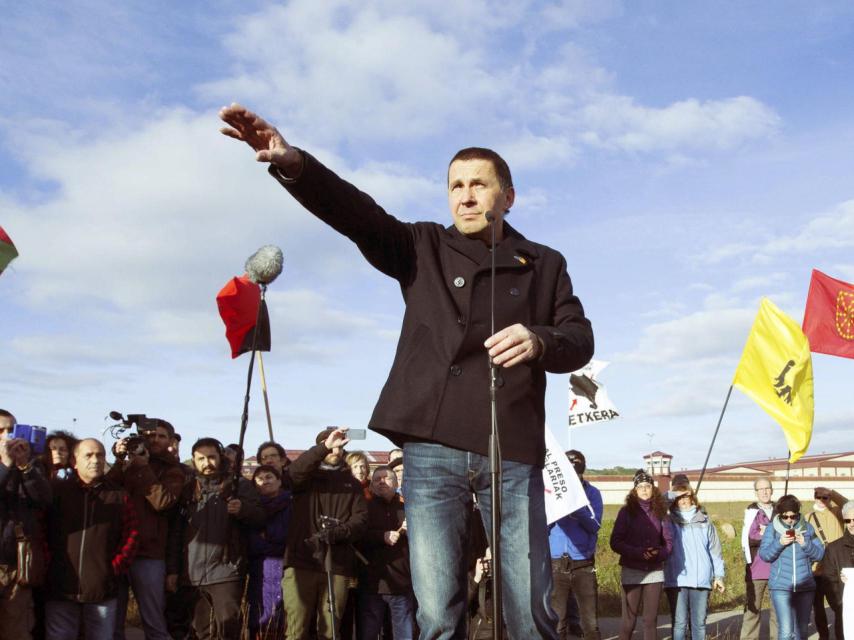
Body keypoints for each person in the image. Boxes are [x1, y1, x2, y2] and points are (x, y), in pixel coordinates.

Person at [219, 104, 594, 640]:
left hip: (509, 447)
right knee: (438, 610)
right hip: (431, 444)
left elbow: (579, 340)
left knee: (528, 609)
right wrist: (294, 163)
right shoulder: (422, 247)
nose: (465, 195)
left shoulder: (545, 263)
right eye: (455, 185)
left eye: (479, 185)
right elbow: (357, 214)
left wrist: (539, 340)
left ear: (507, 197)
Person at [167, 437, 264, 640]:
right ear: (193, 460)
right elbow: (176, 532)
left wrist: (242, 510)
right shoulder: (187, 489)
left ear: (220, 457)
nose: (207, 463)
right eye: (201, 459)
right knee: (202, 630)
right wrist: (174, 570)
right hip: (192, 573)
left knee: (229, 626)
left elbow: (260, 517)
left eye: (211, 457)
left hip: (226, 570)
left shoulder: (239, 485)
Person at [45, 438, 139, 639]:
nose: (95, 460)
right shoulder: (57, 492)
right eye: (88, 455)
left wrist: (114, 568)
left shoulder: (118, 496)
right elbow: (41, 531)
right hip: (61, 587)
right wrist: (49, 564)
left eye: (100, 455)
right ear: (74, 461)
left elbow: (131, 535)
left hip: (102, 589)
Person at [281, 427, 368, 640]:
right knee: (296, 629)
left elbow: (361, 520)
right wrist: (324, 446)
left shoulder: (352, 484)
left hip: (337, 564)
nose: (335, 451)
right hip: (302, 561)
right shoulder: (305, 479)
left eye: (339, 447)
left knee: (330, 631)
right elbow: (292, 474)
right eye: (330, 446)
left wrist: (340, 532)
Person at [109, 419, 187, 640]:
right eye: (150, 435)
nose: (154, 439)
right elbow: (107, 489)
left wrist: (143, 468)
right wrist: (119, 459)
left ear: (170, 440)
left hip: (149, 553)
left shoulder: (173, 470)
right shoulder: (128, 463)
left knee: (153, 622)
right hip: (119, 549)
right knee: (113, 621)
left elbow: (163, 502)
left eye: (161, 436)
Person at [609, 469, 672, 640]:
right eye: (641, 486)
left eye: (648, 486)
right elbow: (615, 542)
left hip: (654, 572)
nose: (644, 489)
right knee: (629, 621)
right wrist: (638, 553)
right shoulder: (625, 512)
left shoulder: (661, 512)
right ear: (635, 490)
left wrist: (657, 554)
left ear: (653, 489)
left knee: (650, 620)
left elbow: (668, 543)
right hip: (631, 570)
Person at [0, 431, 52, 640]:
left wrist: (24, 467)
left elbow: (44, 499)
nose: (8, 437)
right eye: (1, 431)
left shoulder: (28, 466)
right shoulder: (5, 466)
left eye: (11, 430)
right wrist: (4, 465)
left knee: (16, 631)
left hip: (16, 563)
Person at [548, 450, 603, 640]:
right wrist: (556, 508)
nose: (574, 475)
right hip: (556, 564)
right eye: (569, 471)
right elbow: (542, 526)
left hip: (583, 564)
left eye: (577, 471)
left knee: (590, 624)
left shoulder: (593, 493)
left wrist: (576, 506)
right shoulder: (551, 493)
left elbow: (595, 525)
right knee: (558, 622)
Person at [664, 477, 725, 640]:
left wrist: (719, 576)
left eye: (685, 496)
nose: (682, 500)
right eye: (678, 497)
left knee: (699, 624)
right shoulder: (668, 521)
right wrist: (675, 492)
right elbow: (657, 503)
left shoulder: (705, 521)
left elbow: (715, 552)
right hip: (677, 580)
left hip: (701, 580)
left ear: (692, 497)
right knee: (679, 623)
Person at [358, 466, 415, 640]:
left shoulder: (409, 508)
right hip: (372, 584)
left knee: (404, 635)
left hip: (402, 584)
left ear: (396, 482)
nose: (382, 482)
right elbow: (356, 536)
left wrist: (413, 527)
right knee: (368, 634)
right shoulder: (363, 508)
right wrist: (381, 536)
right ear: (372, 485)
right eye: (377, 479)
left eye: (387, 478)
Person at [759, 494, 825, 640]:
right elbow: (764, 555)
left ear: (798, 513)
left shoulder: (807, 528)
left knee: (801, 629)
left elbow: (820, 555)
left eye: (793, 516)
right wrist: (780, 543)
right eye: (785, 516)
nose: (789, 520)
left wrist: (805, 544)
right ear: (780, 515)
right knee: (786, 630)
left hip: (805, 587)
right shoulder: (772, 529)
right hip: (781, 587)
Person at [247, 465, 291, 639]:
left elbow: (288, 536)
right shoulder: (251, 507)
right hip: (259, 567)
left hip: (285, 564)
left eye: (269, 477)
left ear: (279, 481)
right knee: (259, 612)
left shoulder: (291, 504)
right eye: (260, 478)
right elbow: (251, 541)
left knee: (282, 612)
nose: (265, 481)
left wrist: (270, 539)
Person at [806, 486, 847, 640]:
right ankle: (824, 636)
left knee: (839, 607)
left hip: (836, 569)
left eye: (825, 497)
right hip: (816, 569)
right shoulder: (808, 516)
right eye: (819, 497)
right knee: (818, 608)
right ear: (814, 497)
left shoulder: (837, 512)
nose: (822, 500)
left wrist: (832, 492)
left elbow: (849, 505)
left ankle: (840, 635)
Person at [740, 478, 778, 640]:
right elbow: (750, 537)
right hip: (757, 569)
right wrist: (773, 532)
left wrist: (765, 531)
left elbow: (787, 533)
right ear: (756, 492)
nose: (764, 492)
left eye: (767, 488)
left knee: (778, 612)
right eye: (760, 489)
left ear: (772, 490)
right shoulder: (751, 512)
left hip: (778, 569)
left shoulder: (780, 510)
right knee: (752, 612)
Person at [821, 501, 854, 639]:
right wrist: (839, 604)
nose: (852, 523)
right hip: (845, 612)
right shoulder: (833, 549)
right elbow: (829, 580)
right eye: (848, 520)